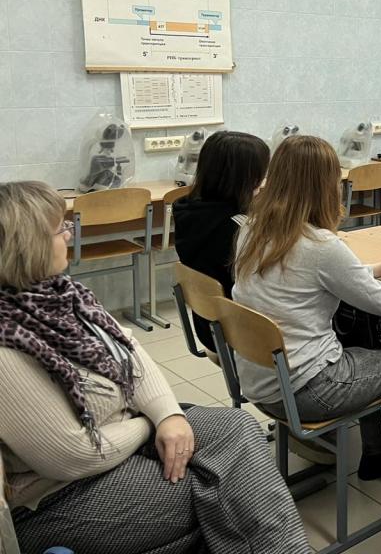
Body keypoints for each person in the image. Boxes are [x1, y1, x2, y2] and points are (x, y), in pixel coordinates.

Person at [0, 181, 309, 553]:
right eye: (59, 230)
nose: (69, 234)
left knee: (238, 427)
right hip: (61, 495)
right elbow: (73, 456)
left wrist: (168, 415)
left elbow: (131, 353)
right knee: (222, 487)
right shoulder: (7, 347)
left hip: (120, 433)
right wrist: (150, 425)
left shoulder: (62, 295)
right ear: (26, 248)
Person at [232, 136, 381, 480]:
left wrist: (373, 270)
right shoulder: (320, 245)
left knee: (366, 341)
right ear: (326, 186)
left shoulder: (251, 229)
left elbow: (309, 277)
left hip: (260, 383)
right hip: (309, 389)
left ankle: (377, 452)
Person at [173, 130, 270, 351]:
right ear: (247, 178)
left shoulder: (187, 209)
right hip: (239, 333)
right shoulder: (238, 229)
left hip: (209, 326)